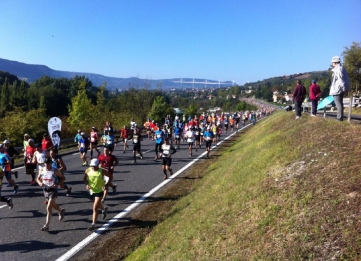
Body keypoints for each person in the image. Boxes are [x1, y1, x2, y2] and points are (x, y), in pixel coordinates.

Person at [36, 157, 66, 231]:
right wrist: (39, 182)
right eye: (45, 163)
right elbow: (37, 178)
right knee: (52, 205)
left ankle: (46, 225)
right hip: (45, 189)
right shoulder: (42, 169)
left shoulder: (55, 171)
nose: (47, 165)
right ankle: (60, 211)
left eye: (48, 163)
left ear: (51, 163)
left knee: (48, 207)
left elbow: (63, 178)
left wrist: (57, 184)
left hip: (53, 190)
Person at [83, 158, 111, 231]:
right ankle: (104, 209)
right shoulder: (88, 170)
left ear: (98, 165)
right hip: (91, 191)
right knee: (97, 205)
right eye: (92, 166)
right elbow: (84, 179)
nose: (93, 167)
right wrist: (86, 185)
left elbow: (110, 177)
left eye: (94, 166)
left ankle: (93, 225)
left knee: (95, 207)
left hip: (99, 190)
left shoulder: (102, 171)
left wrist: (106, 184)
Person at [329, 56, 351, 121]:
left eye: (332, 62)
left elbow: (341, 81)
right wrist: (346, 88)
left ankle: (339, 118)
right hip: (340, 89)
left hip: (337, 89)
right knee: (340, 103)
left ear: (335, 62)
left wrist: (344, 89)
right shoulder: (342, 69)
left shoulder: (338, 69)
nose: (332, 64)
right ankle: (340, 117)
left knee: (338, 104)